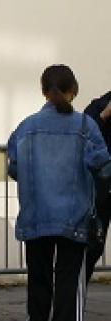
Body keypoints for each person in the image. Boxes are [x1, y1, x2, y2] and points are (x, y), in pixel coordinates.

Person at [8, 65, 111, 321]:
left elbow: (13, 168)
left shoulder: (25, 127)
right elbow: (104, 168)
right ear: (74, 91)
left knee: (38, 282)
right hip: (73, 220)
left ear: (43, 91)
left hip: (35, 217)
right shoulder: (86, 126)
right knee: (68, 284)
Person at [84, 90, 111, 282]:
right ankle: (77, 292)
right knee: (93, 247)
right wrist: (104, 116)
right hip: (102, 190)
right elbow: (84, 138)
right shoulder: (97, 108)